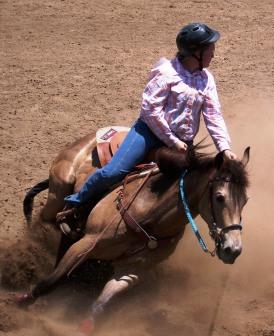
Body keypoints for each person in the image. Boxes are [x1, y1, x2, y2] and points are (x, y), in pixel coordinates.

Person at [56, 22, 237, 222]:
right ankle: (75, 203)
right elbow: (150, 111)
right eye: (210, 49)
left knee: (195, 189)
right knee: (113, 172)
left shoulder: (207, 79)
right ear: (196, 52)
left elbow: (213, 115)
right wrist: (172, 140)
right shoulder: (167, 73)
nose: (214, 53)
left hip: (183, 144)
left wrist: (224, 148)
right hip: (149, 134)